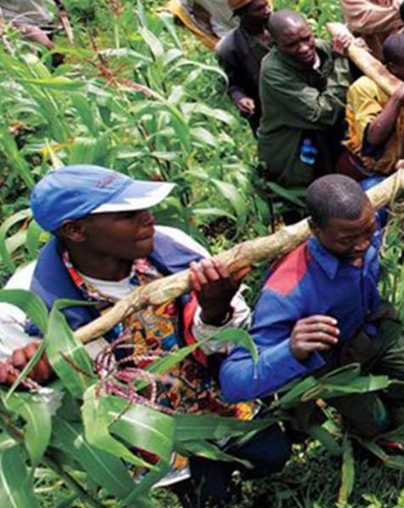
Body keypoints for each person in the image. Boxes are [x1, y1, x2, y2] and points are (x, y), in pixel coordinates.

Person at [0, 166, 289, 506]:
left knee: (273, 454)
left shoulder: (171, 248)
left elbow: (230, 343)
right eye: (129, 214)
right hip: (146, 437)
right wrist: (42, 377)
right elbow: (35, 412)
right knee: (207, 496)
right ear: (75, 230)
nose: (148, 218)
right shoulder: (26, 304)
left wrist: (214, 311)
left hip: (214, 402)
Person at [219, 171, 404, 438]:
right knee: (378, 425)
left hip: (372, 329)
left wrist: (403, 170)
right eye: (347, 240)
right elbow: (232, 381)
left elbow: (374, 186)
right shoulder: (286, 291)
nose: (363, 245)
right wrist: (291, 349)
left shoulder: (360, 220)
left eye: (369, 232)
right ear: (314, 229)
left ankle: (388, 391)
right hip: (335, 365)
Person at [257, 12, 352, 188]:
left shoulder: (322, 49)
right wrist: (341, 65)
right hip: (292, 148)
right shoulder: (273, 72)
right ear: (274, 44)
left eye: (306, 39)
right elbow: (322, 114)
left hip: (325, 139)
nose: (304, 48)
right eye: (292, 45)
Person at [341, 32, 404, 179]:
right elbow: (373, 138)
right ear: (393, 68)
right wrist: (398, 97)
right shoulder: (364, 87)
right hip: (366, 171)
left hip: (397, 165)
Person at [215, 0, 273, 130]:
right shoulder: (230, 48)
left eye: (267, 5)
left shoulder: (280, 27)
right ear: (241, 14)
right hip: (267, 114)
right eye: (259, 9)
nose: (267, 11)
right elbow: (233, 83)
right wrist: (240, 98)